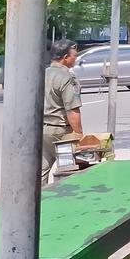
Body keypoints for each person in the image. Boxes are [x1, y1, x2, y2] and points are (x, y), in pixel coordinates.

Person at [41, 39, 83, 185]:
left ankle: (40, 202)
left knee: (41, 172)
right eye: (74, 56)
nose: (76, 58)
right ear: (65, 58)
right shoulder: (67, 78)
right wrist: (78, 135)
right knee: (68, 172)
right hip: (62, 133)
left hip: (43, 130)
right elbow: (72, 110)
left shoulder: (42, 74)